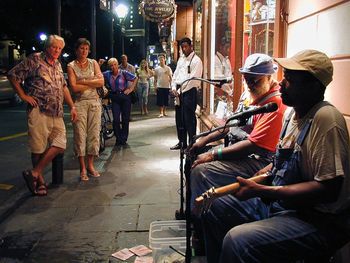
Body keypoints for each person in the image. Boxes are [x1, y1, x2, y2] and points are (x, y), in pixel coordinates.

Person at [200, 50, 350, 262]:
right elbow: (284, 162)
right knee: (214, 206)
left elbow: (328, 188)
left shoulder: (325, 119)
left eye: (290, 80)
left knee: (237, 240)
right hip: (284, 206)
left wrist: (265, 190)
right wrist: (267, 172)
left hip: (317, 220)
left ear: (313, 87)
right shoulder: (291, 115)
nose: (281, 84)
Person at [7, 34, 77, 196]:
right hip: (39, 110)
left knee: (60, 144)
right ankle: (40, 183)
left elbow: (64, 87)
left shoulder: (58, 64)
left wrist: (72, 106)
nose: (57, 51)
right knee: (38, 147)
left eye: (60, 48)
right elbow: (13, 75)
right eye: (54, 47)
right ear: (47, 46)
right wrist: (24, 96)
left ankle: (35, 172)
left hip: (57, 111)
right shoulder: (35, 59)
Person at [67, 38, 104, 181]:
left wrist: (82, 81)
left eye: (86, 49)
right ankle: (82, 168)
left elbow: (101, 82)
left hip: (94, 102)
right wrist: (92, 82)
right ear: (76, 50)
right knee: (80, 135)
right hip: (80, 103)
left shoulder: (93, 63)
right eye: (81, 48)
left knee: (94, 134)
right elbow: (74, 87)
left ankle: (90, 165)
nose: (84, 51)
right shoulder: (71, 66)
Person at [170, 37, 203, 150]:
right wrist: (174, 87)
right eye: (182, 47)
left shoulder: (196, 60)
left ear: (191, 46)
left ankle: (191, 143)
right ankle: (181, 141)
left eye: (186, 47)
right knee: (179, 118)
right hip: (179, 91)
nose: (184, 49)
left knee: (189, 119)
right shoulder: (181, 59)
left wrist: (180, 90)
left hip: (189, 92)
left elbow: (193, 80)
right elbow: (175, 75)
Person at [103, 58, 137, 146]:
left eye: (114, 64)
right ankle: (118, 138)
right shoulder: (107, 74)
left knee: (125, 119)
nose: (113, 67)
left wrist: (131, 89)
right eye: (111, 65)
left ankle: (124, 138)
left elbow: (135, 78)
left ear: (117, 65)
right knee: (116, 119)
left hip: (125, 96)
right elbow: (98, 76)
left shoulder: (123, 73)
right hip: (114, 97)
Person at [154, 53, 173, 118]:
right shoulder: (156, 69)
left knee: (166, 100)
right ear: (159, 60)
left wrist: (171, 86)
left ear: (165, 59)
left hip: (167, 86)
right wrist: (155, 86)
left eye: (162, 58)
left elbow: (171, 77)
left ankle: (164, 111)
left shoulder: (168, 68)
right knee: (160, 100)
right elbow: (155, 78)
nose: (161, 60)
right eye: (160, 58)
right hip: (159, 85)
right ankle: (161, 112)